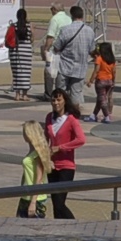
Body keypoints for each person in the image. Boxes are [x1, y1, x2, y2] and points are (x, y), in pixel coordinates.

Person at [42, 89, 85, 218]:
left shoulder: (71, 120)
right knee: (55, 203)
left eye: (58, 100)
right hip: (52, 166)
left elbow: (81, 139)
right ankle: (59, 229)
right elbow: (46, 138)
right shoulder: (49, 117)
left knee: (60, 203)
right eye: (53, 100)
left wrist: (60, 148)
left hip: (66, 166)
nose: (56, 103)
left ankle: (74, 224)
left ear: (65, 101)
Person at [52, 5, 96, 119]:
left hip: (65, 67)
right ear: (82, 16)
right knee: (76, 95)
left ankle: (59, 117)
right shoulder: (90, 31)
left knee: (60, 93)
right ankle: (74, 119)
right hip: (80, 68)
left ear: (71, 16)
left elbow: (56, 47)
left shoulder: (66, 30)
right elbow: (92, 50)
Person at [14, 120, 53, 217]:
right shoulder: (32, 152)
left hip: (35, 197)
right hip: (26, 194)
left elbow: (38, 179)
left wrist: (33, 202)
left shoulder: (37, 154)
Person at [6, 7, 35, 101]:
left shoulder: (13, 26)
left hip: (15, 51)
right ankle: (25, 94)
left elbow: (8, 38)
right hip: (26, 52)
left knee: (16, 72)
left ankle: (17, 95)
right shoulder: (29, 26)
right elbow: (32, 39)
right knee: (26, 73)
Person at [91, 40, 117, 124]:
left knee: (102, 100)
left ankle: (106, 116)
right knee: (101, 98)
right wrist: (113, 80)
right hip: (109, 81)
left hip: (101, 81)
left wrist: (90, 80)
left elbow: (96, 70)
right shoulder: (112, 59)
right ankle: (93, 115)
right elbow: (114, 71)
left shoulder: (99, 59)